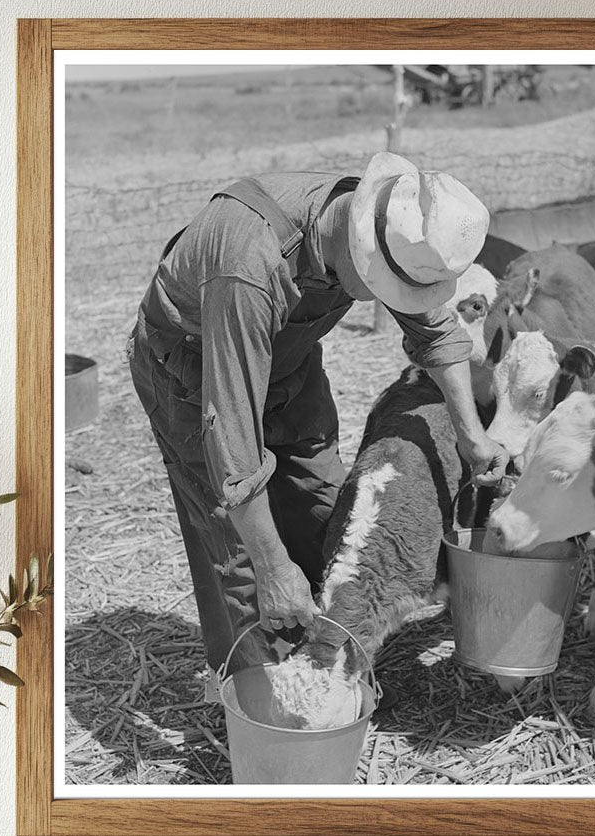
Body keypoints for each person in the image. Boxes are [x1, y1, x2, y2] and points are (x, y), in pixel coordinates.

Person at [128, 152, 505, 675]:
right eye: (387, 288)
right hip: (195, 369)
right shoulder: (249, 267)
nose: (391, 301)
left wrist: (471, 435)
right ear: (359, 250)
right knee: (240, 552)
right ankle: (269, 706)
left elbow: (435, 332)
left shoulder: (384, 221)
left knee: (324, 499)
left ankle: (328, 656)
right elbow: (233, 444)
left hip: (290, 354)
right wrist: (273, 568)